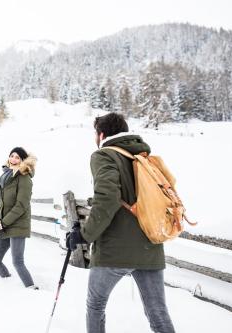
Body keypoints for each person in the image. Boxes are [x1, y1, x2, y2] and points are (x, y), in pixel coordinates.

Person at [66, 113, 175, 333]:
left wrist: (85, 234)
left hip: (115, 251)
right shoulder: (141, 155)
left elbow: (107, 198)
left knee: (95, 305)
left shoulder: (104, 155)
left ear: (102, 134)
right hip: (150, 245)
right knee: (158, 314)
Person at [0, 147, 39, 290]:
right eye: (12, 156)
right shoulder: (6, 177)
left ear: (23, 161)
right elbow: (2, 203)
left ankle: (32, 289)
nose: (13, 159)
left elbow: (21, 205)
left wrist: (3, 223)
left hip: (17, 225)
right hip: (5, 224)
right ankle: (8, 284)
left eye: (17, 157)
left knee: (17, 261)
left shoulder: (24, 178)